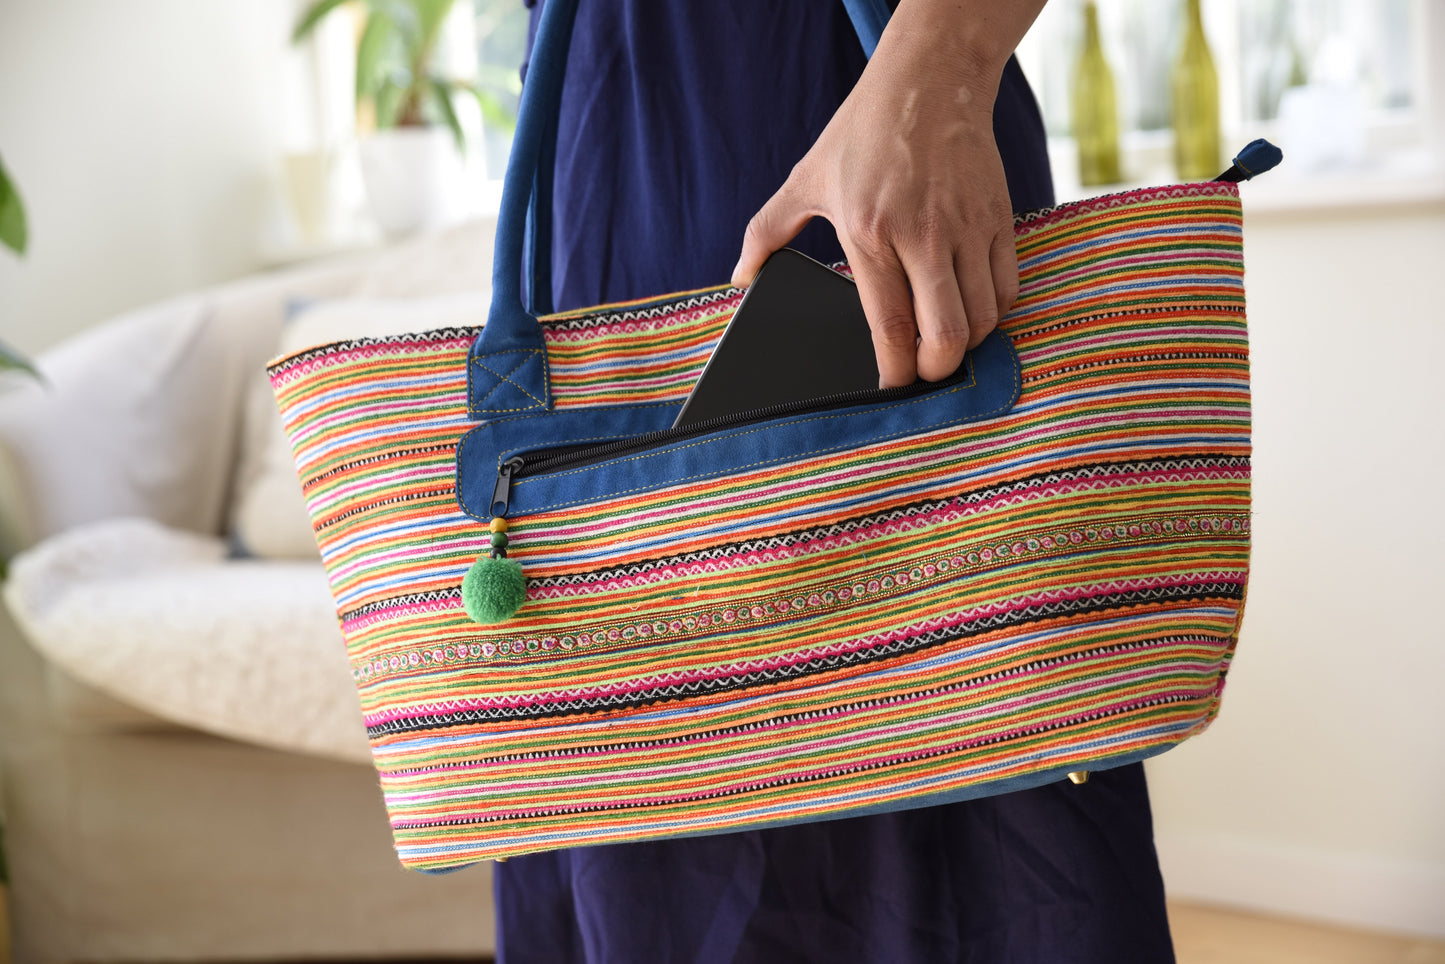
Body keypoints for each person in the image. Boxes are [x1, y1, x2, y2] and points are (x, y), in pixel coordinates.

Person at [496, 1, 1177, 961]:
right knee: (654, 773)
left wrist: (938, 67)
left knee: (989, 721)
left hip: (888, 107)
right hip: (609, 161)